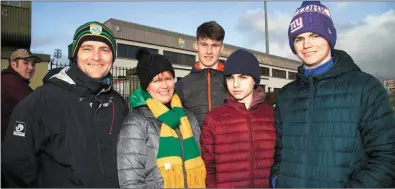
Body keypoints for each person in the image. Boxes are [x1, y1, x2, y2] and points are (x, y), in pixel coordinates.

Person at [270, 1, 395, 188]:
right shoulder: (286, 95)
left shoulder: (365, 87)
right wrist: (277, 180)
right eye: (298, 38)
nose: (307, 44)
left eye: (314, 35)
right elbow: (280, 153)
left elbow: (387, 158)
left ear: (329, 37)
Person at [2, 21, 129, 188]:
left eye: (104, 50)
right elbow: (17, 166)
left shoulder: (118, 104)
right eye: (87, 48)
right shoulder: (43, 99)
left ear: (113, 57)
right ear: (75, 54)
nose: (96, 57)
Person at [117, 48, 205, 188]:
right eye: (156, 80)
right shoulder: (135, 122)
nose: (164, 85)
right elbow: (131, 181)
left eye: (168, 78)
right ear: (146, 86)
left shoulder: (189, 117)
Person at [201, 49, 276, 188]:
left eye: (243, 77)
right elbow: (208, 168)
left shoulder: (271, 115)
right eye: (230, 77)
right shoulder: (213, 119)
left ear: (255, 80)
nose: (235, 84)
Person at [175, 21, 226, 127]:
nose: (209, 51)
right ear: (196, 46)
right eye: (204, 45)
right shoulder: (181, 85)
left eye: (215, 46)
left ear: (221, 48)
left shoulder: (232, 83)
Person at [1, 49, 40, 143]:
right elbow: (37, 105)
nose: (31, 68)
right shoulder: (10, 81)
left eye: (33, 64)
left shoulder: (16, 81)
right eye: (26, 63)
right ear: (14, 65)